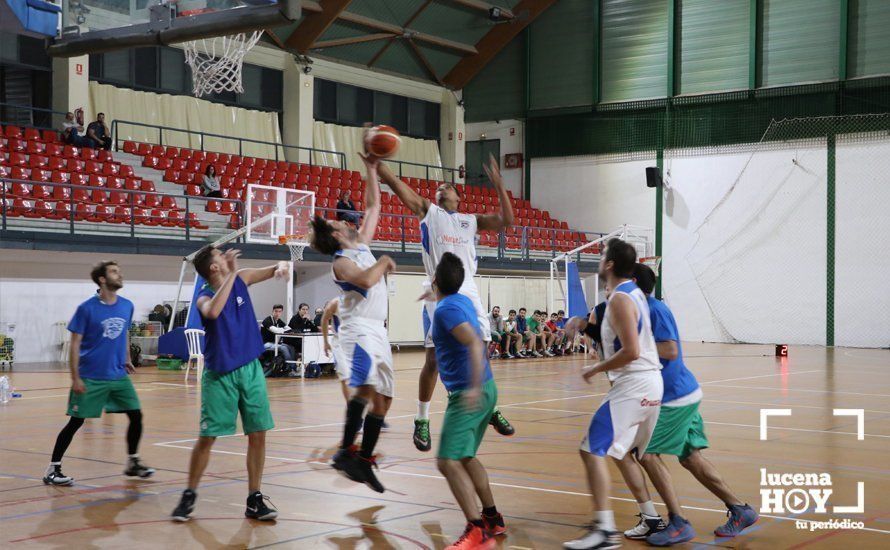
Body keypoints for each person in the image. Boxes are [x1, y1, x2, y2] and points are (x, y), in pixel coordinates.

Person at [378, 153, 516, 452]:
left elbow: (507, 219)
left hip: (468, 291)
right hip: (439, 292)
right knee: (433, 361)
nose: (441, 189)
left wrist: (500, 185)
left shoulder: (470, 221)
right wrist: (379, 165)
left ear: (458, 197)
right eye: (438, 188)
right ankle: (422, 419)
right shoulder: (429, 212)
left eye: (448, 187)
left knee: (480, 349)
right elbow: (400, 187)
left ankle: (489, 407)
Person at [617, 263, 758, 544]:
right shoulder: (637, 311)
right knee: (691, 459)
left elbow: (669, 349)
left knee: (646, 454)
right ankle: (740, 510)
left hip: (674, 398)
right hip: (680, 393)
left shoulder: (655, 310)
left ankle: (678, 522)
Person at [170, 247, 289, 522]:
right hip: (220, 374)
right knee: (207, 437)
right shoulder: (204, 296)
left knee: (258, 433)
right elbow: (212, 312)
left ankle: (254, 498)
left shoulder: (242, 277)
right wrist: (232, 274)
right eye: (220, 255)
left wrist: (280, 267)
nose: (225, 256)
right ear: (214, 268)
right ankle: (189, 494)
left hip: (251, 369)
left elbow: (271, 270)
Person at [561, 239, 665, 550]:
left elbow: (631, 351)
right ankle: (650, 517)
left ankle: (604, 531)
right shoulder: (631, 294)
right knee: (620, 453)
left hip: (634, 384)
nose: (599, 256)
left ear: (609, 265)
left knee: (590, 450)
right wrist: (582, 324)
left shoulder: (621, 298)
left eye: (603, 253)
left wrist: (595, 369)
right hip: (648, 384)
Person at [310, 151, 395, 493]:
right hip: (359, 330)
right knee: (365, 388)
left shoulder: (359, 243)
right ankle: (346, 451)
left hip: (378, 330)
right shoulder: (341, 262)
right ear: (336, 235)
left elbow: (374, 207)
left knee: (385, 399)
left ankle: (363, 459)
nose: (342, 220)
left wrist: (371, 169)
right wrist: (385, 261)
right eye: (336, 222)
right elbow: (366, 280)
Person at [43, 261, 154, 486]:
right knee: (76, 421)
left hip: (117, 376)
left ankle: (133, 462)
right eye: (114, 272)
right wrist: (75, 377)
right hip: (91, 376)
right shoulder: (87, 309)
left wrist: (126, 358)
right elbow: (75, 344)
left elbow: (123, 334)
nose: (119, 275)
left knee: (136, 415)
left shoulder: (127, 305)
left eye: (119, 271)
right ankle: (52, 469)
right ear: (102, 279)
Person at [431, 253, 506, 550]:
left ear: (435, 280)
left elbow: (475, 342)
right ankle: (492, 518)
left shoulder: (444, 310)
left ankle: (476, 531)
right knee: (465, 456)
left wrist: (472, 387)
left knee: (447, 461)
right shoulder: (459, 300)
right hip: (488, 388)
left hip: (468, 392)